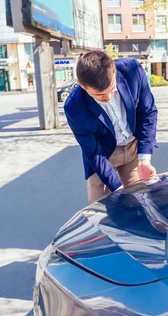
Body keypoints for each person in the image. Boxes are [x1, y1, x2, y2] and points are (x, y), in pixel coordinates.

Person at [65, 51, 158, 204]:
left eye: (112, 89)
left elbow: (147, 112)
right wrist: (118, 189)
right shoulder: (74, 107)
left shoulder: (132, 71)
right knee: (103, 212)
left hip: (132, 148)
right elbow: (93, 152)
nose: (108, 98)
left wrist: (145, 159)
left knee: (142, 202)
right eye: (100, 95)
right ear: (82, 86)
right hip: (103, 156)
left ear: (114, 72)